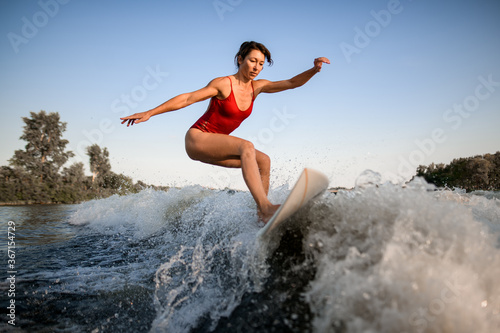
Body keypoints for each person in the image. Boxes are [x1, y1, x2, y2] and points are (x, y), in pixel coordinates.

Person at [121, 41, 330, 223]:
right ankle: (266, 207)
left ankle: (261, 214)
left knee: (263, 161)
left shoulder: (257, 87)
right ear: (240, 59)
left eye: (261, 63)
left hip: (215, 144)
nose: (256, 67)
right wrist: (150, 112)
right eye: (252, 60)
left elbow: (292, 83)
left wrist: (314, 69)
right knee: (246, 146)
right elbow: (187, 98)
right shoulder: (223, 84)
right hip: (198, 138)